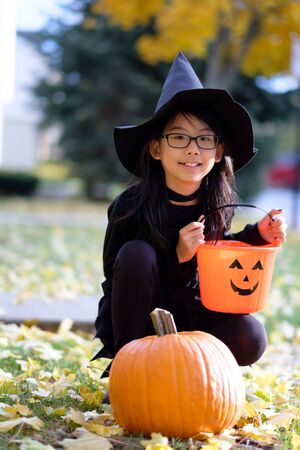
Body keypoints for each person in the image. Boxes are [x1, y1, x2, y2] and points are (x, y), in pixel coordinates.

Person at [92, 52, 287, 371]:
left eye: (204, 139)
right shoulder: (129, 206)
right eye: (179, 137)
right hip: (141, 318)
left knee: (250, 337)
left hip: (195, 311)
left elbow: (219, 254)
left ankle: (187, 366)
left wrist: (257, 235)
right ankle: (129, 367)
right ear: (157, 148)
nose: (193, 148)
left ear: (219, 150)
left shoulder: (215, 201)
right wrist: (177, 257)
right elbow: (118, 276)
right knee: (137, 253)